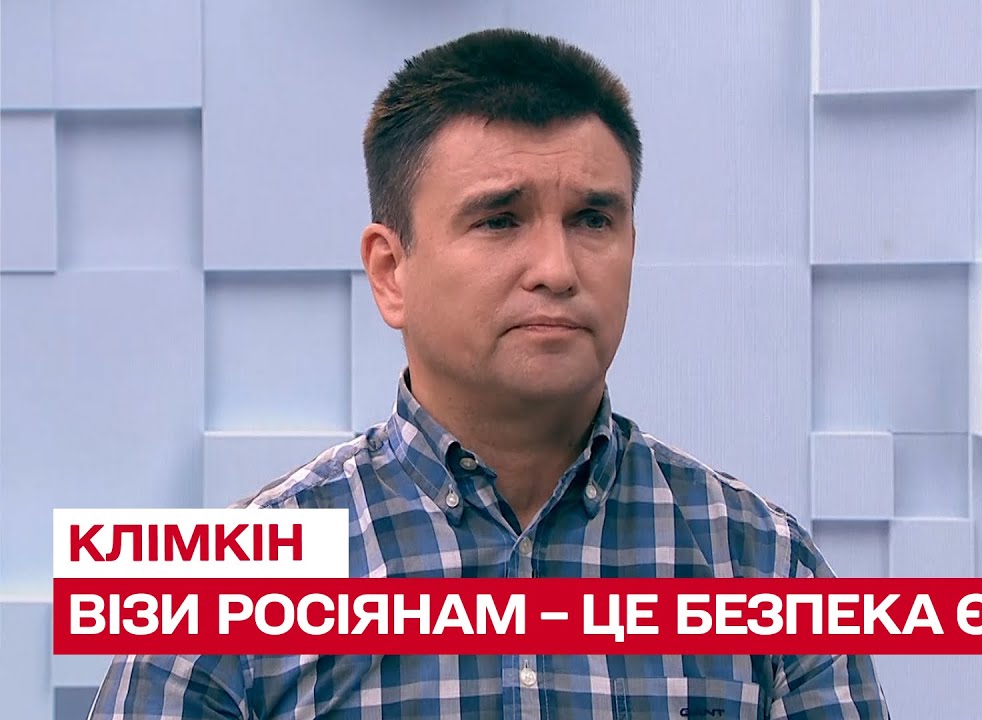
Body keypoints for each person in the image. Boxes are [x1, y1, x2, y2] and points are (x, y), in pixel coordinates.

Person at [90, 28, 889, 719]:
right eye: (500, 219)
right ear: (391, 270)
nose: (557, 269)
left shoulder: (762, 564)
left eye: (593, 219)